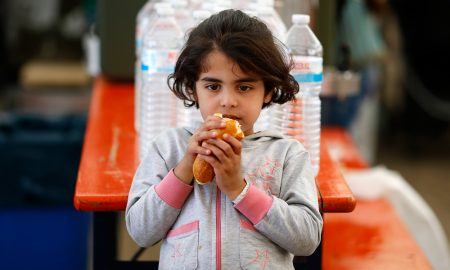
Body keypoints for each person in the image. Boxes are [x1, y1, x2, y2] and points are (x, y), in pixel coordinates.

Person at [126, 9, 323, 269]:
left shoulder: (287, 154)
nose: (228, 101)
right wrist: (185, 168)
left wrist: (238, 189)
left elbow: (307, 239)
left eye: (244, 87)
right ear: (192, 88)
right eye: (213, 86)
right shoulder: (168, 149)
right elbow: (140, 231)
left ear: (267, 91)